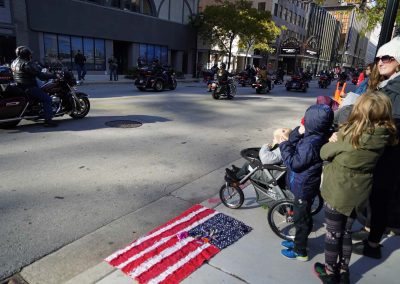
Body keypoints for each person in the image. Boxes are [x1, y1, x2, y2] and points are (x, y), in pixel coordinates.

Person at [314, 92, 398, 284]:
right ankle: (344, 272)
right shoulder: (384, 136)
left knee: (333, 235)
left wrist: (332, 140)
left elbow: (324, 153)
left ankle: (329, 272)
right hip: (359, 193)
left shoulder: (350, 135)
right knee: (346, 233)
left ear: (359, 111)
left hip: (338, 192)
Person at [352, 36, 400, 260]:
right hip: (381, 154)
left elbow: (390, 124)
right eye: (379, 57)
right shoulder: (388, 84)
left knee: (380, 199)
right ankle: (370, 232)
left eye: (387, 57)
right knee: (373, 198)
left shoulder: (396, 90)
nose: (381, 62)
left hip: (388, 156)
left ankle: (372, 246)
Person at [279, 104, 334, 261]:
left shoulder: (310, 143)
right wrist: (298, 131)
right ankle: (299, 241)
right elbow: (294, 141)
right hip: (305, 184)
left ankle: (300, 251)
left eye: (305, 122)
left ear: (311, 123)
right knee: (302, 216)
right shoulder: (317, 135)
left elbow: (295, 163)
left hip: (304, 186)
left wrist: (283, 145)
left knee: (301, 220)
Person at [10, 46, 58, 127]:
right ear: (26, 54)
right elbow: (41, 76)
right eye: (29, 54)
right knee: (47, 99)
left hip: (19, 85)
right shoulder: (26, 64)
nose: (30, 55)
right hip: (28, 87)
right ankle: (48, 121)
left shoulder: (14, 62)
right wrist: (54, 75)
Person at [225, 128, 292, 183]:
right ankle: (241, 172)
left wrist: (265, 147)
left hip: (274, 175)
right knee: (252, 163)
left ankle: (236, 177)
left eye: (274, 138)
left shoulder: (282, 150)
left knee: (250, 164)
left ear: (281, 140)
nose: (273, 139)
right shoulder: (289, 147)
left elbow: (265, 158)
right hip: (277, 171)